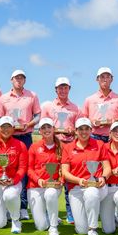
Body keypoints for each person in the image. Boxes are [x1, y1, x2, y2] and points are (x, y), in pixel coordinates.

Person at [0, 69, 41, 220]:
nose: (19, 80)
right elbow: (0, 119)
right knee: (7, 168)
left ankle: (22, 207)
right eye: (16, 78)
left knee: (24, 170)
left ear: (24, 80)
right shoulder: (3, 98)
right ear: (11, 80)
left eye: (21, 78)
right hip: (9, 138)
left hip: (25, 136)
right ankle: (8, 205)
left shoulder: (32, 95)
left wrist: (28, 124)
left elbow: (38, 116)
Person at [61, 117, 111, 235]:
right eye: (81, 129)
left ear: (91, 130)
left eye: (87, 129)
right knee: (81, 230)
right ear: (76, 131)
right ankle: (88, 224)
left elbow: (107, 168)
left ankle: (93, 230)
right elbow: (65, 173)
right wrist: (79, 180)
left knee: (91, 193)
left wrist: (103, 178)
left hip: (97, 187)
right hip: (76, 188)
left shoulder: (99, 144)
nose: (84, 132)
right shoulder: (68, 147)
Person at [40, 76, 81, 224]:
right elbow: (43, 127)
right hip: (53, 145)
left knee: (68, 178)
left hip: (69, 146)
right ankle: (51, 212)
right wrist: (55, 130)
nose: (63, 90)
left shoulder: (76, 108)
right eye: (60, 87)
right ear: (55, 90)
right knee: (51, 176)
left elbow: (80, 130)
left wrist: (73, 131)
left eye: (65, 87)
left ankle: (70, 212)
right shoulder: (47, 107)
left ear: (69, 89)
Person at [27, 118, 62, 235]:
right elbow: (29, 169)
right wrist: (38, 180)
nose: (46, 130)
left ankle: (53, 227)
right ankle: (49, 215)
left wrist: (61, 182)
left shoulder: (61, 147)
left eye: (49, 127)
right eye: (43, 128)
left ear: (54, 129)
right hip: (35, 187)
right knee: (41, 226)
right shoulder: (34, 147)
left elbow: (65, 168)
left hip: (53, 187)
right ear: (40, 131)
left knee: (50, 194)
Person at [82, 67, 118, 142]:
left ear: (111, 79)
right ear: (97, 79)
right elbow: (84, 119)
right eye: (102, 77)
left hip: (114, 137)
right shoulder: (89, 100)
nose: (105, 79)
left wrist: (115, 121)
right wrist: (92, 121)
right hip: (93, 136)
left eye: (108, 77)